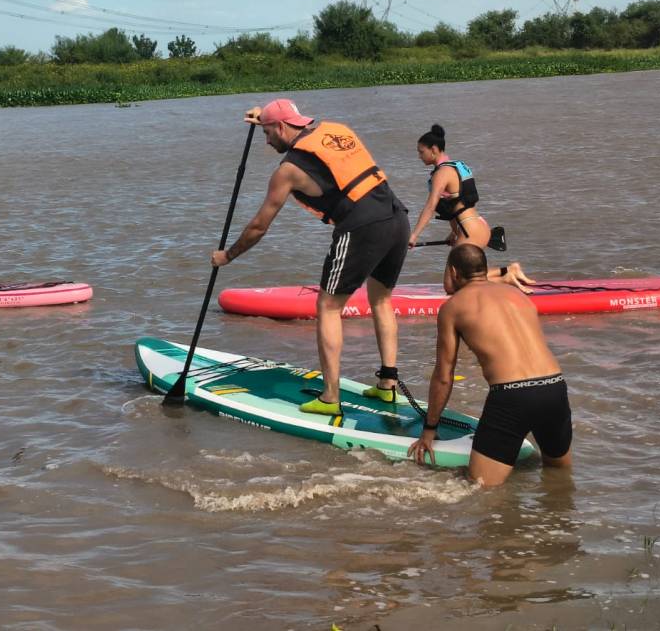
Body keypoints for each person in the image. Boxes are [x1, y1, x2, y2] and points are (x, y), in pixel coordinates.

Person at [210, 99, 410, 417]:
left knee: (328, 307)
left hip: (363, 227)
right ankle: (387, 385)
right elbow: (296, 129)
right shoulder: (336, 130)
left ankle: (330, 398)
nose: (266, 141)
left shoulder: (288, 171)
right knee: (381, 300)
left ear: (280, 127)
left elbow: (259, 226)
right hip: (397, 216)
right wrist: (265, 117)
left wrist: (228, 255)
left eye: (267, 134)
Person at [407, 244, 573, 487]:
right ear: (485, 270)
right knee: (558, 476)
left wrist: (429, 430)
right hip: (554, 387)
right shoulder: (517, 295)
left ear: (453, 272)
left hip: (512, 395)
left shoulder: (453, 308)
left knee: (482, 488)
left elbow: (444, 375)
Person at [407, 123, 536, 294]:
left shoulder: (442, 173)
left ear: (434, 149)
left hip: (469, 232)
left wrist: (414, 235)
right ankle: (508, 270)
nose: (419, 156)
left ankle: (506, 279)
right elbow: (458, 205)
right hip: (477, 226)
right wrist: (454, 233)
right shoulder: (458, 166)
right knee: (465, 278)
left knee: (451, 286)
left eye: (421, 152)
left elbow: (430, 207)